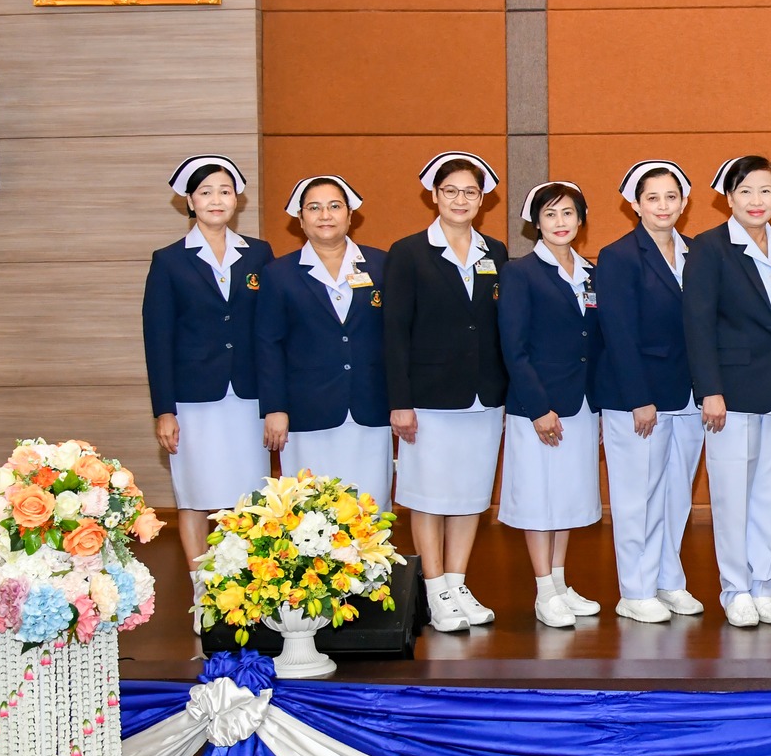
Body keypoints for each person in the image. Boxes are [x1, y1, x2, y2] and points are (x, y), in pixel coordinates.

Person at [383, 152, 508, 633]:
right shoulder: (409, 252)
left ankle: (457, 582)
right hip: (428, 398)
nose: (461, 200)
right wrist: (400, 401)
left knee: (471, 494)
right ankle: (433, 588)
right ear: (434, 195)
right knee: (429, 495)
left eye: (470, 192)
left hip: (484, 397)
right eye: (451, 191)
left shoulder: (494, 251)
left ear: (483, 199)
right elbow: (394, 333)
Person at [684, 156, 771, 629]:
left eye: (766, 190)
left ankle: (763, 586)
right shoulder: (709, 248)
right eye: (746, 191)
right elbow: (697, 325)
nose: (757, 201)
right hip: (730, 393)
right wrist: (709, 390)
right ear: (728, 197)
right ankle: (734, 589)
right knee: (732, 494)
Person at [141, 154, 270, 575]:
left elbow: (271, 329)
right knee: (195, 494)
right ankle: (202, 587)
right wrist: (164, 410)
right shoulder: (169, 260)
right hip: (194, 398)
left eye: (225, 191)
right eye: (206, 192)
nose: (217, 199)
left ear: (238, 199)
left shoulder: (259, 254)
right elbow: (157, 340)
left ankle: (248, 585)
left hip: (248, 397)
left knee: (250, 496)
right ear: (189, 202)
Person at [594, 160, 706, 624]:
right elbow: (618, 333)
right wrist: (640, 398)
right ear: (634, 204)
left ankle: (667, 579)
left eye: (671, 196)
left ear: (684, 201)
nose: (663, 206)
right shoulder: (618, 256)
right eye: (652, 197)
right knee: (636, 496)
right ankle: (635, 589)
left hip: (688, 395)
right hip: (638, 398)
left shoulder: (697, 252)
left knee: (676, 494)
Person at [498, 183, 604, 629]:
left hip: (581, 404)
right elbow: (514, 347)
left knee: (569, 497)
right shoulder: (520, 272)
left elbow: (594, 342)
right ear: (535, 223)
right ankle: (543, 589)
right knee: (540, 498)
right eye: (550, 215)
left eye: (568, 214)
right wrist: (538, 407)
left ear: (580, 220)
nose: (560, 222)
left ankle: (561, 582)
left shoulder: (590, 273)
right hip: (538, 407)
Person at [257, 175, 392, 504]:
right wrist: (275, 408)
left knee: (369, 506)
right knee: (309, 509)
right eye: (314, 208)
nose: (325, 215)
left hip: (371, 406)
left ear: (350, 215)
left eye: (334, 206)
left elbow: (398, 336)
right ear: (301, 220)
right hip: (308, 409)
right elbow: (268, 344)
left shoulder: (383, 264)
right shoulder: (279, 273)